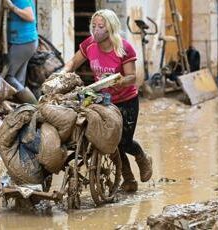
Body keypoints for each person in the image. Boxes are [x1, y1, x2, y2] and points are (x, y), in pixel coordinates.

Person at [60, 9, 152, 192]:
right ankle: (128, 178)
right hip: (104, 100)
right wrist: (61, 75)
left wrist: (118, 80)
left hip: (126, 100)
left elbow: (132, 77)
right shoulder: (89, 45)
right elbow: (72, 63)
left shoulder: (124, 48)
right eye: (93, 26)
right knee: (107, 142)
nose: (96, 30)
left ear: (110, 28)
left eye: (101, 26)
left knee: (124, 142)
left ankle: (142, 157)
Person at [3, 0, 38, 104]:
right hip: (25, 41)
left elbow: (30, 16)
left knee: (8, 77)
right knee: (18, 79)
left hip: (23, 42)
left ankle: (35, 106)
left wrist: (12, 7)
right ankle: (25, 109)